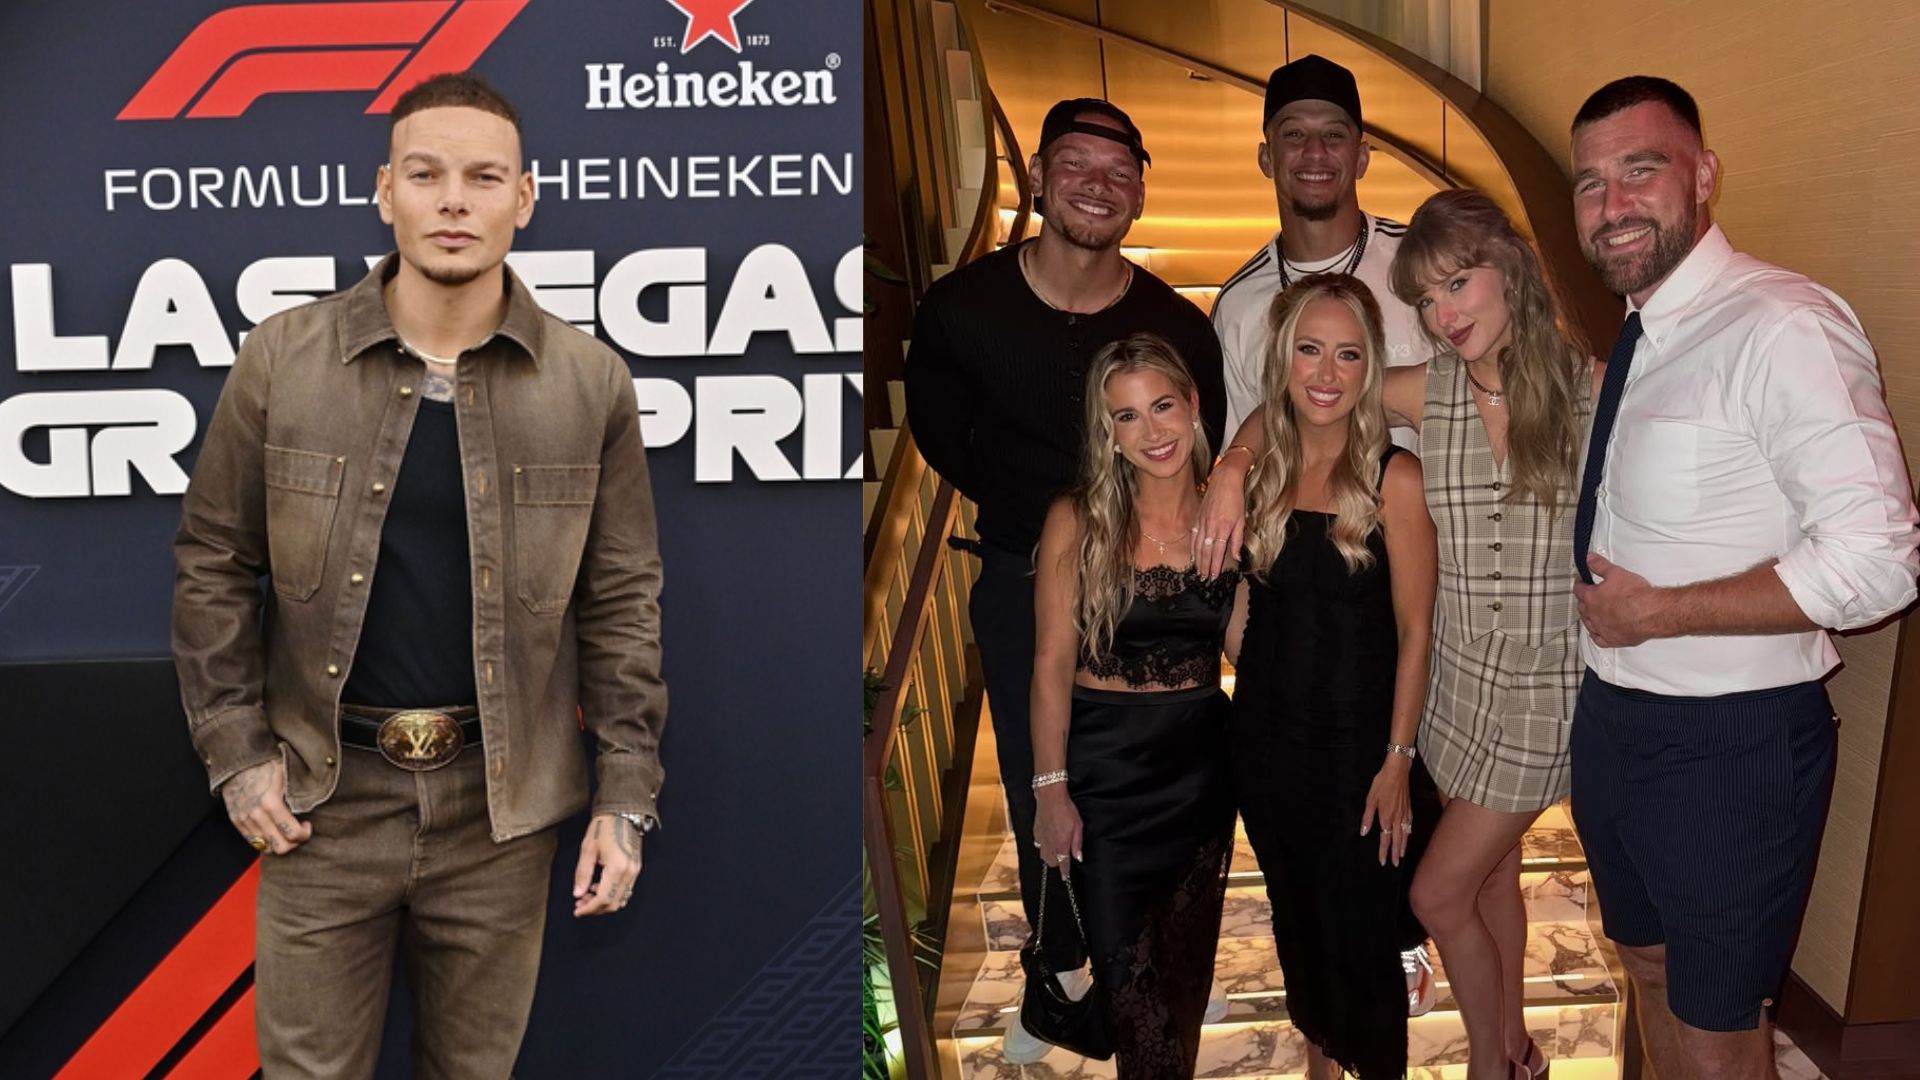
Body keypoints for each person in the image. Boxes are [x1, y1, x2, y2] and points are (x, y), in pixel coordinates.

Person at [171, 72, 664, 1075]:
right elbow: (214, 564)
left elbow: (620, 607)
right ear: (383, 189)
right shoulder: (282, 360)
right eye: (427, 174)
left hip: (502, 814)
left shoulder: (589, 382)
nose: (453, 200)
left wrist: (624, 796)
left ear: (523, 200)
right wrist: (236, 751)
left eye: (484, 177)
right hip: (321, 804)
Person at [1566, 76, 1919, 1079]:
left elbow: (1881, 558)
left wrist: (1662, 614)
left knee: (1722, 1029)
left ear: (1705, 175)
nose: (1613, 203)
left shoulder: (1782, 324)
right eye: (1590, 184)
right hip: (1617, 720)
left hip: (1732, 740)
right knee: (1641, 964)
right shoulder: (1639, 331)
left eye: (1642, 170)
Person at [903, 96, 1227, 1062]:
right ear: (1038, 177)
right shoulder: (963, 307)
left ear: (1140, 191)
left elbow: (1207, 439)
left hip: (1157, 576)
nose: (1097, 184)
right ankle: (1063, 968)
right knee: (1038, 780)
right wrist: (1049, 527)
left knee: (1165, 779)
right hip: (1022, 568)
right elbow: (937, 434)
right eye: (1075, 165)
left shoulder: (1172, 321)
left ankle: (1131, 963)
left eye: (1118, 171)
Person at [1384, 189, 1601, 1080]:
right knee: (1493, 877)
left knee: (1438, 894)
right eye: (1426, 300)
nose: (1443, 316)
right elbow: (1307, 392)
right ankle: (1519, 1049)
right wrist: (1237, 466)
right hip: (1455, 690)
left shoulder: (1589, 389)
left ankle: (1490, 1066)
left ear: (1507, 269)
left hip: (1547, 691)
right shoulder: (1423, 391)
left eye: (1457, 284)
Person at [1227, 274, 1437, 1080]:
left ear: (1370, 368)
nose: (1325, 372)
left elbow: (1417, 632)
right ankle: (1318, 1064)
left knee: (1361, 936)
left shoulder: (1396, 479)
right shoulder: (1256, 473)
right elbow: (1250, 612)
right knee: (1296, 923)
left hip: (1360, 758)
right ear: (1282, 358)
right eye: (1309, 349)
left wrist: (1397, 761)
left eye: (1348, 354)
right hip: (1267, 745)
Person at [1031, 334, 1238, 1077]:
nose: (1152, 433)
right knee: (1132, 993)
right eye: (1126, 417)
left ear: (1192, 404)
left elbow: (1250, 651)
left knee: (1181, 983)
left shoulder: (1228, 518)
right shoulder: (1077, 521)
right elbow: (1052, 661)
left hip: (1200, 776)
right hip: (1105, 778)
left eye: (1161, 406)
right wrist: (1049, 790)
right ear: (1108, 435)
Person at [1212, 54, 1435, 443]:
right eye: (1294, 135)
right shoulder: (1238, 305)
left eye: (1334, 135)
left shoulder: (1422, 263)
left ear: (1361, 158)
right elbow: (1246, 460)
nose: (1315, 151)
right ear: (1266, 158)